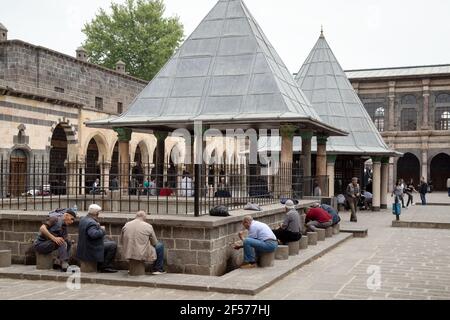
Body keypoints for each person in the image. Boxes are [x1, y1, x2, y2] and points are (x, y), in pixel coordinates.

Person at [77, 204, 118, 273]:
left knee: (107, 240)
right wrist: (102, 230)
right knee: (113, 245)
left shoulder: (83, 219)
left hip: (85, 245)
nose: (99, 214)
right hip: (90, 248)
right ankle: (106, 266)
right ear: (96, 213)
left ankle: (101, 263)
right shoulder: (91, 223)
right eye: (98, 213)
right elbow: (93, 234)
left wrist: (97, 227)